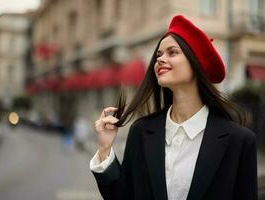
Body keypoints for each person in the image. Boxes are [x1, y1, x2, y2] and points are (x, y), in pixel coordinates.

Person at [89, 15, 257, 200]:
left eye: (172, 52)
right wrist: (105, 149)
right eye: (159, 55)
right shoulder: (141, 131)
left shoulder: (239, 141)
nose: (160, 60)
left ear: (196, 63)